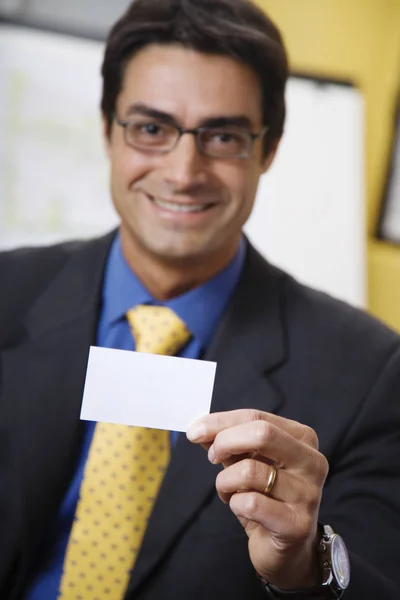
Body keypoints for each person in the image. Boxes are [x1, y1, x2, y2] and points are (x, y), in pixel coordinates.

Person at [0, 0, 399, 598]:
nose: (184, 171)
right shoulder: (8, 292)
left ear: (267, 151)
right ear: (108, 129)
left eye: (223, 135)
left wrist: (306, 564)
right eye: (152, 128)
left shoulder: (371, 370)